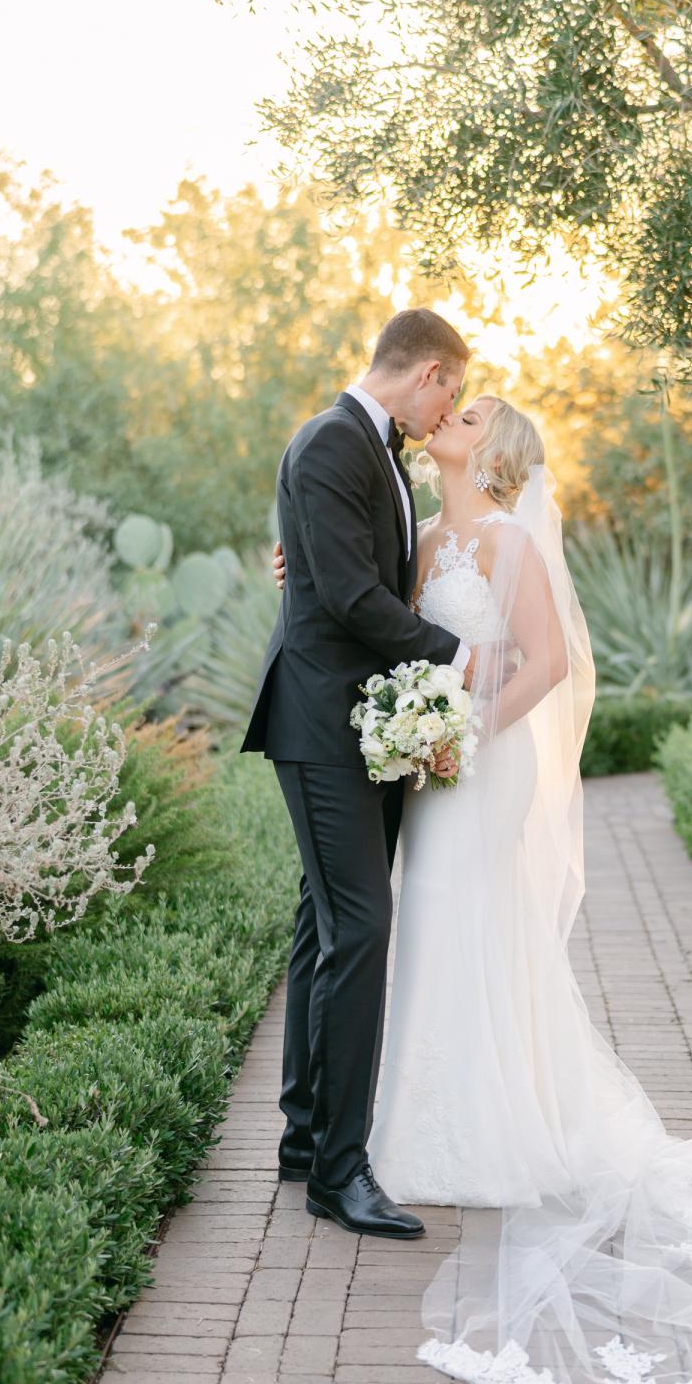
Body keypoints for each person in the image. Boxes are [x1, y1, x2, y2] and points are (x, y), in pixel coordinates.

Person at [268, 390, 692, 1384]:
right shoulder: (425, 536)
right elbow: (370, 608)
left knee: (475, 923)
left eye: (468, 419)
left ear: (498, 452)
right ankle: (406, 1125)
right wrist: (304, 573)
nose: (448, 425)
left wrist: (465, 737)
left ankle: (491, 1119)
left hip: (483, 767)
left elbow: (548, 663)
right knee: (423, 926)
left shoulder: (514, 541)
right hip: (429, 769)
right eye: (452, 408)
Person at [240, 306, 474, 1242]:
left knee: (324, 924)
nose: (445, 412)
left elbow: (345, 568)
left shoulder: (370, 449)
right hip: (322, 722)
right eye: (449, 392)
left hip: (359, 724)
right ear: (427, 374)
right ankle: (340, 1173)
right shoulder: (333, 441)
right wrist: (460, 654)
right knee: (361, 930)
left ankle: (305, 1138)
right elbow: (346, 595)